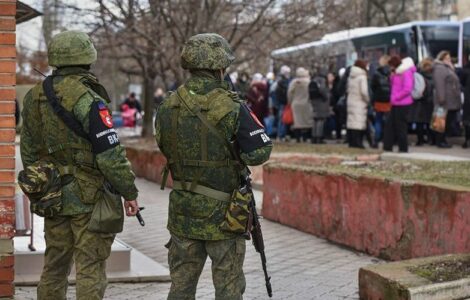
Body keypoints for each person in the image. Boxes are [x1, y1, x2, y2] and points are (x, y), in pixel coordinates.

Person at [19, 30, 139, 300]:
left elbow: (27, 150)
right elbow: (110, 154)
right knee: (90, 268)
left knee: (54, 266)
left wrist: (43, 185)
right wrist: (129, 192)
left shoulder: (35, 96)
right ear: (87, 58)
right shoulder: (88, 98)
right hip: (89, 198)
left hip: (52, 195)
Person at [154, 33, 273, 300]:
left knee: (181, 288)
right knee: (228, 288)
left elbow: (163, 144)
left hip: (183, 212)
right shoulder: (232, 106)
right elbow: (260, 152)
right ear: (221, 68)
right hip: (225, 215)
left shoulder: (167, 106)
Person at [383, 56, 416, 153]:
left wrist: (395, 97)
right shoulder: (397, 73)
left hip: (403, 103)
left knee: (401, 126)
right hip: (395, 103)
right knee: (391, 125)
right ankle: (388, 146)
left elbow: (407, 89)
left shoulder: (406, 73)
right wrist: (392, 76)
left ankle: (403, 148)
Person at [433, 50, 461, 148]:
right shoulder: (440, 68)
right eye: (446, 58)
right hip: (444, 100)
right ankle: (440, 141)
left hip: (451, 99)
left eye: (449, 58)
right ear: (442, 58)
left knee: (447, 120)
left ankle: (442, 140)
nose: (449, 60)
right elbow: (440, 84)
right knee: (442, 121)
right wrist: (441, 98)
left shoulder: (448, 68)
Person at [346, 59, 370, 148]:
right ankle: (358, 143)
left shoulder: (351, 76)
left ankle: (351, 142)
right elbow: (364, 91)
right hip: (359, 101)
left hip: (351, 100)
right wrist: (367, 100)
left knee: (352, 122)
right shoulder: (362, 77)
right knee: (359, 123)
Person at [411, 58, 434, 146]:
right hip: (430, 102)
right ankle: (431, 139)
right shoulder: (433, 76)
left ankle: (420, 140)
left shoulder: (418, 76)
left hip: (419, 102)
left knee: (419, 122)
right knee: (429, 122)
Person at [288, 67, 313, 142]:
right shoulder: (308, 81)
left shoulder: (294, 82)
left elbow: (289, 93)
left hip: (295, 104)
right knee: (306, 122)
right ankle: (305, 138)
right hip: (306, 103)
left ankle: (297, 138)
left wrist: (290, 102)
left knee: (297, 121)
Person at [370, 55, 391, 145]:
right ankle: (387, 139)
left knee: (378, 120)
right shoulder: (392, 73)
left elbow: (372, 87)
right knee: (388, 121)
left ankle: (376, 139)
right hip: (390, 100)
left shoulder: (376, 74)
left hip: (378, 100)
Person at [309, 69, 330, 144]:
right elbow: (323, 89)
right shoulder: (322, 80)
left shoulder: (314, 79)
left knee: (315, 119)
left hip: (314, 100)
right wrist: (327, 97)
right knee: (320, 120)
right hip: (321, 102)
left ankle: (313, 136)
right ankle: (319, 137)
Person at [274, 65, 291, 140]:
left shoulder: (281, 80)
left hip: (282, 102)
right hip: (282, 102)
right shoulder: (282, 81)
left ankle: (282, 134)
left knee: (283, 119)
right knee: (282, 119)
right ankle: (281, 135)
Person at [460, 55, 470, 148]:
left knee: (467, 119)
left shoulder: (465, 70)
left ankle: (467, 139)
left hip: (468, 97)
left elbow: (461, 82)